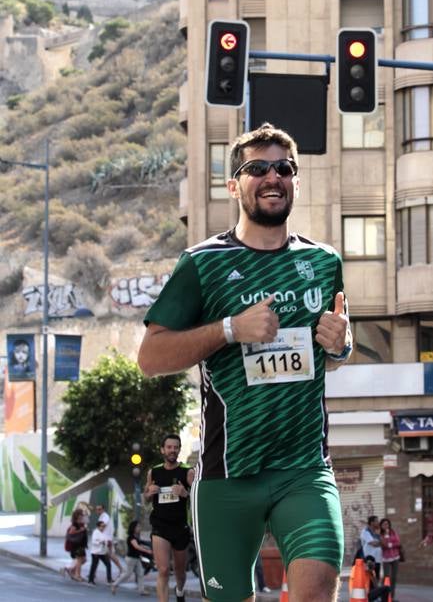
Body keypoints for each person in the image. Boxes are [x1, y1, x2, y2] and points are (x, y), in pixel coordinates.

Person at [138, 122, 353, 602]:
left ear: (297, 182)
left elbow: (335, 348)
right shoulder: (202, 263)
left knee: (317, 587)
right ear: (234, 184)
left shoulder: (323, 262)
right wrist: (230, 328)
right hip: (227, 475)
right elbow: (150, 357)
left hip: (304, 468)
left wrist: (341, 345)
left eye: (284, 168)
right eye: (257, 168)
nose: (272, 176)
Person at [144, 433, 195, 602]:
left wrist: (186, 493)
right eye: (169, 447)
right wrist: (149, 493)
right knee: (164, 570)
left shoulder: (188, 472)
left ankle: (179, 591)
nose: (172, 450)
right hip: (160, 526)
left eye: (176, 447)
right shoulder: (154, 472)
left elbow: (198, 499)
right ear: (162, 450)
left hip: (180, 527)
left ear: (179, 450)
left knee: (180, 573)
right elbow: (145, 496)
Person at [111, 519, 150, 596]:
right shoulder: (131, 537)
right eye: (138, 526)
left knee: (140, 573)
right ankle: (114, 584)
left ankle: (141, 591)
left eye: (139, 526)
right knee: (127, 574)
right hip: (131, 559)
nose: (139, 528)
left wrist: (146, 547)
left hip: (137, 558)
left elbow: (140, 545)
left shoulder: (136, 537)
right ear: (133, 528)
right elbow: (137, 547)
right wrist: (147, 551)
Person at [95, 502, 124, 578]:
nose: (98, 511)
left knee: (110, 555)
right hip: (104, 540)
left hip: (106, 540)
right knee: (100, 555)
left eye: (100, 509)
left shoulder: (105, 516)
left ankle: (121, 570)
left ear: (103, 509)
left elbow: (102, 526)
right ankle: (94, 573)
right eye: (97, 509)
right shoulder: (101, 516)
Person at [61, 507, 88, 582]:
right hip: (76, 545)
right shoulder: (75, 524)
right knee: (79, 560)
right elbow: (71, 533)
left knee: (84, 560)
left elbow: (87, 521)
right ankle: (77, 575)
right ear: (78, 515)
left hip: (81, 544)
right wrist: (80, 530)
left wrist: (86, 514)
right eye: (81, 514)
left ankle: (70, 569)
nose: (82, 515)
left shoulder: (81, 522)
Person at [380, 517, 400, 600]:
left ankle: (391, 597)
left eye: (387, 524)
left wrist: (390, 544)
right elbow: (383, 544)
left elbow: (398, 542)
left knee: (394, 578)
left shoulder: (393, 532)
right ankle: (384, 595)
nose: (386, 525)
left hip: (395, 557)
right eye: (384, 524)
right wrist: (388, 539)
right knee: (387, 577)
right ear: (381, 526)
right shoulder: (380, 534)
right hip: (386, 559)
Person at [88, 519, 112, 586]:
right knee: (94, 566)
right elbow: (94, 542)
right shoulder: (96, 532)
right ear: (98, 526)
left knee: (108, 564)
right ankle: (90, 580)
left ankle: (109, 580)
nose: (103, 527)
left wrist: (107, 544)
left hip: (103, 552)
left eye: (104, 526)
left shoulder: (103, 533)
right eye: (102, 526)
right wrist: (101, 542)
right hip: (96, 552)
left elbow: (106, 541)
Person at [360, 516, 382, 580]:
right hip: (369, 558)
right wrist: (382, 542)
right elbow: (373, 544)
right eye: (377, 521)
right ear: (372, 523)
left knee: (376, 577)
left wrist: (380, 542)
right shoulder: (366, 532)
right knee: (369, 577)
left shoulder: (377, 532)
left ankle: (376, 589)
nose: (378, 523)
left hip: (377, 559)